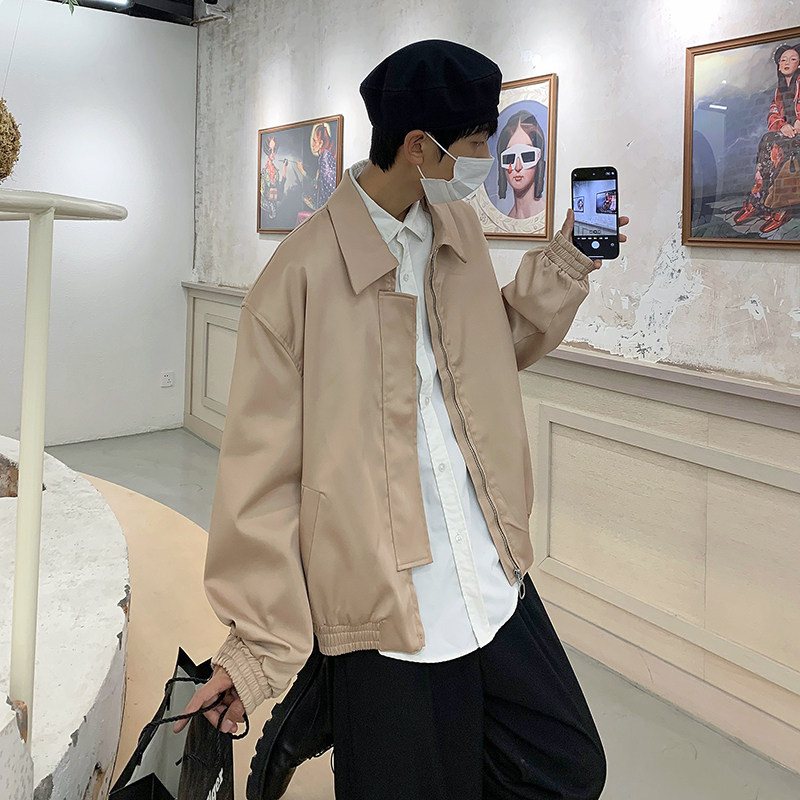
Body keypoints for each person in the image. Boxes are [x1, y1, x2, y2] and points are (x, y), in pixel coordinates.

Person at [176, 39, 628, 800]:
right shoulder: (296, 281)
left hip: (488, 570)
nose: (488, 159)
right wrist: (255, 651)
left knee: (568, 765)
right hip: (385, 607)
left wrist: (567, 265)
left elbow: (489, 352)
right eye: (478, 142)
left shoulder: (458, 231)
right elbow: (260, 482)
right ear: (420, 146)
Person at [733, 43, 800, 234]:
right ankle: (758, 200)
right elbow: (772, 113)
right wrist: (782, 125)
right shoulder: (780, 89)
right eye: (783, 60)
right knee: (768, 140)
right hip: (787, 134)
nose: (786, 63)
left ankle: (780, 208)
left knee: (781, 147)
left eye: (792, 59)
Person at [496, 110, 547, 219]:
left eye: (527, 156)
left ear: (539, 158)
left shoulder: (549, 215)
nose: (518, 167)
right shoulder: (507, 220)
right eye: (510, 158)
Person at [311, 122, 338, 209]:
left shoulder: (325, 158)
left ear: (321, 143)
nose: (312, 144)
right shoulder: (324, 156)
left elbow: (329, 183)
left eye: (315, 141)